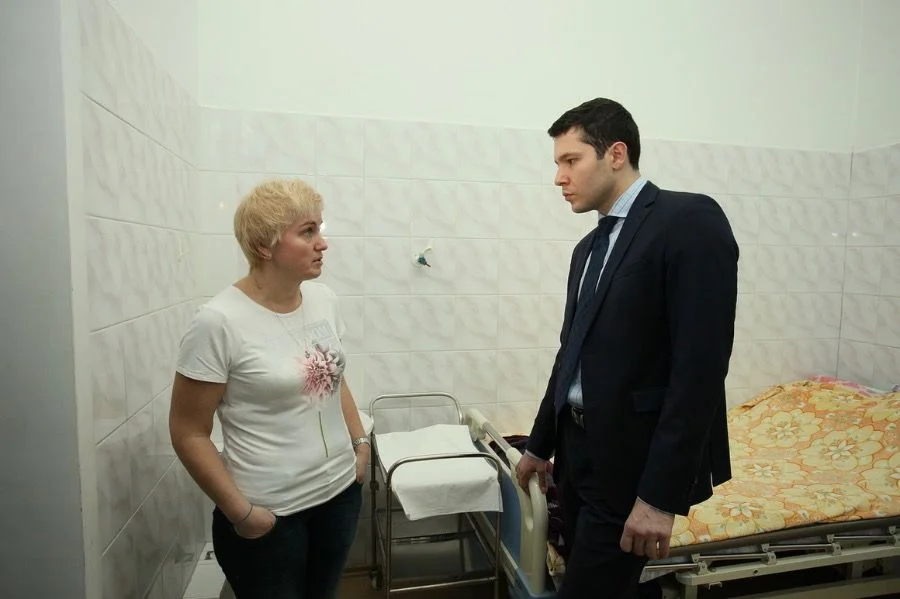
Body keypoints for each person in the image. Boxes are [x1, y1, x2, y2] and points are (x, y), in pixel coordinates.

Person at [515, 98, 738, 598]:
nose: (558, 177)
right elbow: (570, 355)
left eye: (570, 160)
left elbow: (700, 372)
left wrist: (659, 497)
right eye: (557, 163)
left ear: (616, 154)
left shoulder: (687, 221)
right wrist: (539, 444)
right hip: (578, 455)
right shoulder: (587, 250)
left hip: (633, 461)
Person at [169, 178, 368, 599]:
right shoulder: (218, 322)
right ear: (265, 246)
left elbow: (334, 379)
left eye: (319, 229)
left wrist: (360, 445)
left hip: (339, 496)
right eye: (308, 232)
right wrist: (242, 514)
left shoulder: (323, 300)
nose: (323, 243)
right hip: (271, 515)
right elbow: (188, 432)